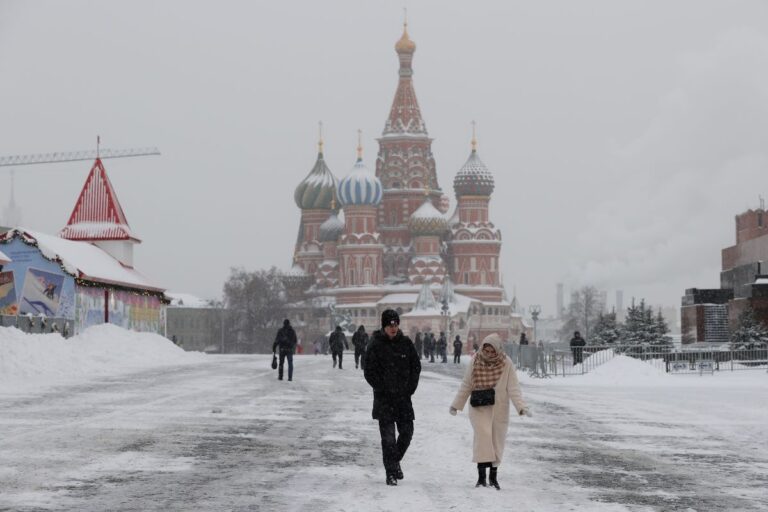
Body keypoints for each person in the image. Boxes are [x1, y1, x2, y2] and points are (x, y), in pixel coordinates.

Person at [449, 333, 530, 490]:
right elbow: (466, 384)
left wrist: (521, 406)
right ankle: (481, 477)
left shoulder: (506, 363)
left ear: (498, 350)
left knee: (497, 441)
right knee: (483, 437)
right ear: (482, 348)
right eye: (486, 351)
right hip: (479, 407)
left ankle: (493, 476)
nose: (489, 354)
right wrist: (456, 405)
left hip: (499, 408)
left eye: (492, 352)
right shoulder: (476, 361)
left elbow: (513, 388)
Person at [364, 309, 421, 486]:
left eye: (396, 324)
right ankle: (390, 473)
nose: (393, 328)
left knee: (407, 433)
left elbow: (416, 367)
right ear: (384, 326)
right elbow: (369, 371)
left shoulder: (406, 343)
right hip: (384, 400)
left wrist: (410, 388)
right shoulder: (375, 344)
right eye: (390, 325)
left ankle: (394, 462)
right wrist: (382, 387)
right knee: (388, 439)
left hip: (403, 399)